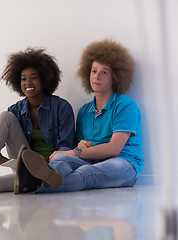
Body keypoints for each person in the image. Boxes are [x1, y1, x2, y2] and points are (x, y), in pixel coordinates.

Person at [15, 39, 143, 194]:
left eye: (104, 72)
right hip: (91, 160)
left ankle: (37, 185)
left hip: (124, 165)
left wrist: (74, 152)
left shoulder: (125, 105)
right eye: (94, 71)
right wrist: (78, 147)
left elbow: (114, 148)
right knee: (59, 160)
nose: (97, 76)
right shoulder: (84, 111)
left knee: (87, 173)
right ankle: (38, 178)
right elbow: (80, 146)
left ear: (116, 77)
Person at [0, 47, 75, 194]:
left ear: (44, 79)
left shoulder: (61, 107)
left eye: (34, 77)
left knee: (37, 177)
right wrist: (14, 163)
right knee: (6, 117)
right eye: (23, 78)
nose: (28, 82)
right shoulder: (15, 111)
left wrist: (41, 161)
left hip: (52, 166)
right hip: (23, 163)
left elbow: (66, 150)